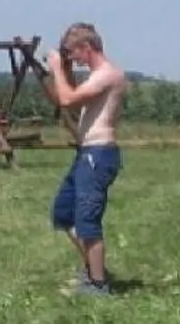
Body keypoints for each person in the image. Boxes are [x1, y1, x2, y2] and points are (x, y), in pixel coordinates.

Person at [45, 23, 128, 296]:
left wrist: (58, 68)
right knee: (64, 214)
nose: (73, 59)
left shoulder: (108, 75)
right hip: (86, 153)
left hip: (99, 153)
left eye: (73, 54)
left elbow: (68, 100)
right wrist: (61, 73)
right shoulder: (95, 77)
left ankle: (98, 283)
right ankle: (94, 271)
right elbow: (61, 98)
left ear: (87, 47)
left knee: (87, 221)